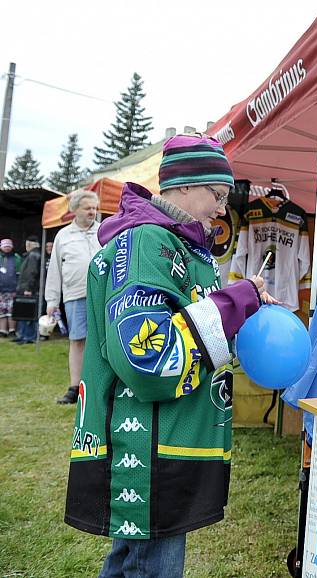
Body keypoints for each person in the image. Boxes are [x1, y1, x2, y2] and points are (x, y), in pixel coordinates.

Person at [63, 134, 277, 578]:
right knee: (152, 566)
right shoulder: (146, 243)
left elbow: (199, 331)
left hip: (166, 439)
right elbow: (149, 355)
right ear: (182, 185)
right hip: (145, 447)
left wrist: (242, 317)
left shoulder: (185, 248)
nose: (222, 208)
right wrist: (233, 303)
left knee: (131, 560)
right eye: (217, 195)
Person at [45, 190, 102, 404]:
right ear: (75, 210)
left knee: (101, 342)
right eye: (87, 208)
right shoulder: (63, 236)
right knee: (77, 341)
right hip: (74, 295)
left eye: (94, 208)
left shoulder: (104, 232)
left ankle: (99, 386)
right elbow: (55, 271)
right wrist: (52, 300)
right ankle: (74, 387)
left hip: (101, 295)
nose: (92, 212)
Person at [13, 235, 42, 344]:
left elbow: (32, 273)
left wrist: (29, 288)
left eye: (27, 244)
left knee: (28, 313)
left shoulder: (33, 255)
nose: (26, 246)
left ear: (30, 244)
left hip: (29, 289)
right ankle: (22, 335)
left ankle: (28, 336)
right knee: (24, 312)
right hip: (25, 287)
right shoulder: (31, 255)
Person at [0, 238, 22, 338]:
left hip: (13, 290)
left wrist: (17, 288)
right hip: (1, 291)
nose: (7, 248)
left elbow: (20, 275)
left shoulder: (17, 258)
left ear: (12, 247)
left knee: (12, 311)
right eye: (5, 246)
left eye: (8, 246)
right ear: (1, 247)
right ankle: (3, 330)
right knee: (2, 311)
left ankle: (12, 330)